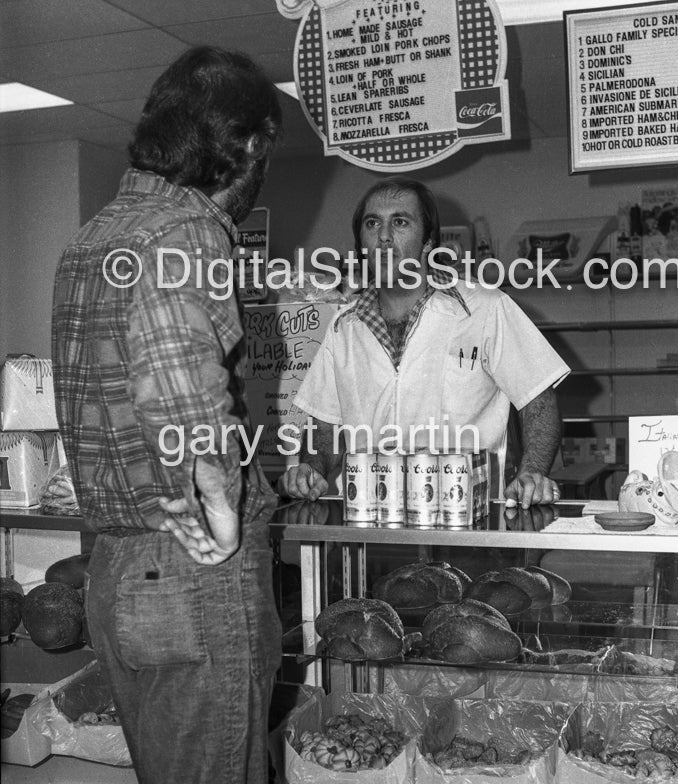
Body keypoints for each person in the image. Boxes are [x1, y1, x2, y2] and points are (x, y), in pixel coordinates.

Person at [52, 46, 283, 784]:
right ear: (248, 145)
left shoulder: (90, 239)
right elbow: (179, 393)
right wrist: (220, 513)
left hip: (116, 565)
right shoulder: (186, 231)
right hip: (189, 569)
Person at [279, 176, 569, 507]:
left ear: (428, 241)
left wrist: (532, 472)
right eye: (372, 223)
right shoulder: (343, 327)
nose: (384, 236)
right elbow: (324, 427)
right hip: (369, 527)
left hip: (465, 520)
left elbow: (539, 400)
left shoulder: (485, 308)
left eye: (400, 222)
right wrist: (311, 468)